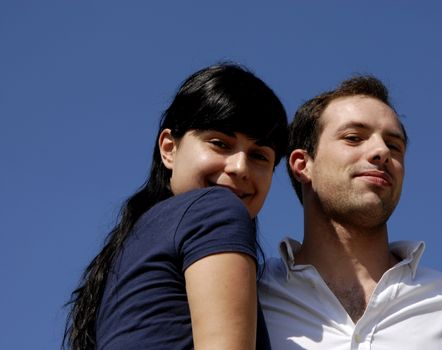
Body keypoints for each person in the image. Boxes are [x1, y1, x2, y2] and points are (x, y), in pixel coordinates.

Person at [259, 75, 442, 349]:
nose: (381, 151)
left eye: (394, 146)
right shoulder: (251, 293)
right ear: (303, 165)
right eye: (353, 138)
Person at [64, 63, 288, 350]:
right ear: (169, 148)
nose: (240, 167)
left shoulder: (135, 240)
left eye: (259, 156)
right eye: (220, 143)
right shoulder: (217, 209)